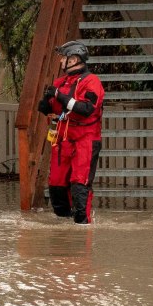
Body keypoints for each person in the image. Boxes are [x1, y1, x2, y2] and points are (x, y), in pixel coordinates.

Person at [37, 40, 104, 224]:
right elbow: (45, 108)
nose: (61, 62)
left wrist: (60, 96)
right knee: (56, 188)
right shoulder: (61, 82)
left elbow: (87, 109)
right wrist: (47, 99)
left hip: (86, 140)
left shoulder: (92, 82)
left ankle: (82, 232)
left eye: (64, 58)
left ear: (74, 59)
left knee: (79, 186)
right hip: (63, 139)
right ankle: (63, 236)